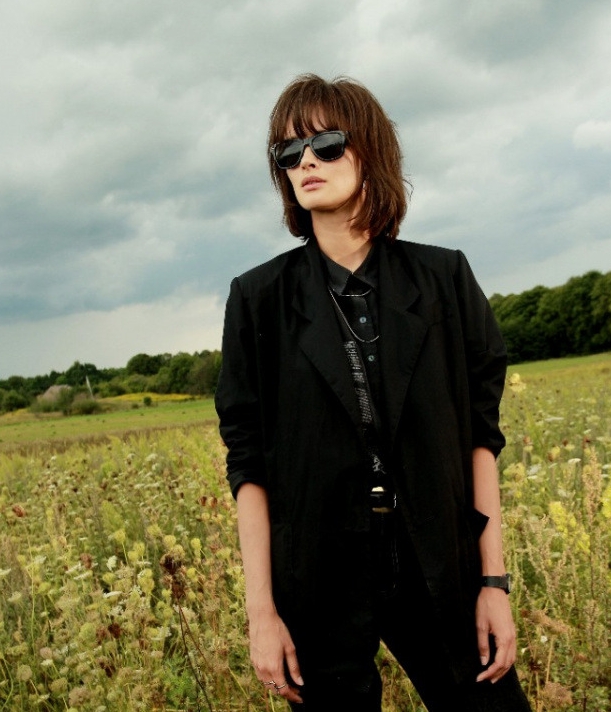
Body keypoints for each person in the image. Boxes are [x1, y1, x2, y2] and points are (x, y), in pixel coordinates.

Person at [215, 74, 532, 711]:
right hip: (318, 575)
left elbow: (480, 438)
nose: (306, 161)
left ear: (372, 151)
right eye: (288, 151)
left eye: (327, 144)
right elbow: (249, 464)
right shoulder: (258, 299)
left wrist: (493, 582)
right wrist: (262, 614)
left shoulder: (443, 279)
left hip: (438, 561)